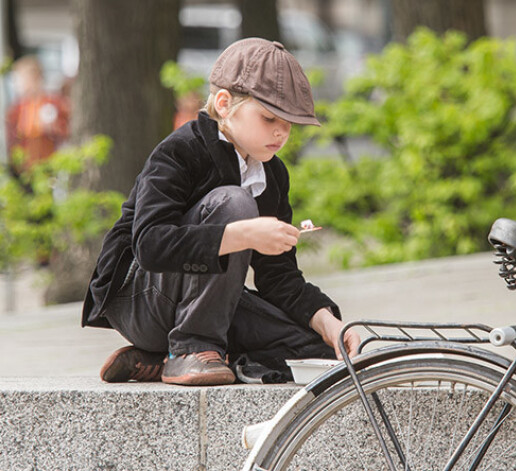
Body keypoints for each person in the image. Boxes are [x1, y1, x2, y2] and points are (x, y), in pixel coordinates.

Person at [82, 38, 360, 386]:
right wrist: (244, 234)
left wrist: (328, 323)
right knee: (235, 202)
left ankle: (160, 358)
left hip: (204, 306)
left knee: (313, 350)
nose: (281, 132)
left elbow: (279, 276)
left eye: (289, 123)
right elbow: (151, 245)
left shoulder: (272, 174)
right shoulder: (180, 151)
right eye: (270, 117)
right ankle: (188, 349)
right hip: (141, 300)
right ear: (225, 104)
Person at [5, 55, 69, 172]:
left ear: (36, 78)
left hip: (49, 164)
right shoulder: (16, 108)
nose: (21, 83)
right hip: (24, 168)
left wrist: (53, 128)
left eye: (24, 78)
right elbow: (12, 137)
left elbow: (66, 130)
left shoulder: (53, 102)